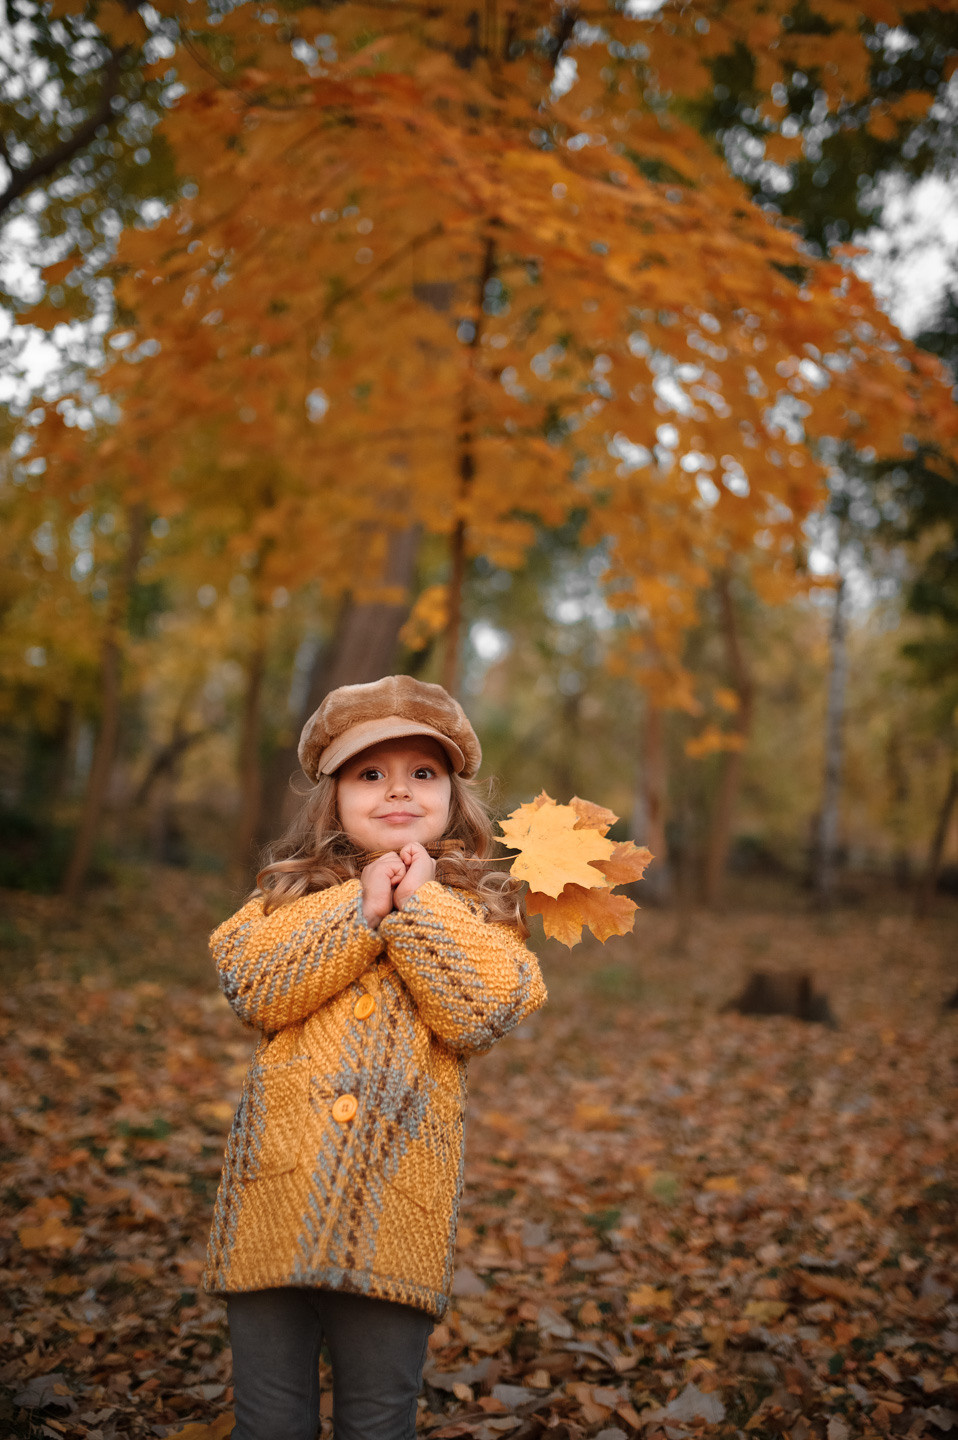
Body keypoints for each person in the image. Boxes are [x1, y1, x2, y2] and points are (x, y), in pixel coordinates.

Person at [203, 674, 547, 1440]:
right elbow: (253, 985)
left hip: (398, 1211)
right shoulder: (284, 899)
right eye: (370, 774)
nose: (398, 791)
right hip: (275, 1200)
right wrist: (363, 905)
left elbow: (481, 1012)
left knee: (378, 1418)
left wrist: (419, 905)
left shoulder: (484, 914)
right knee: (269, 1419)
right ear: (333, 795)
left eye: (422, 773)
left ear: (455, 794)